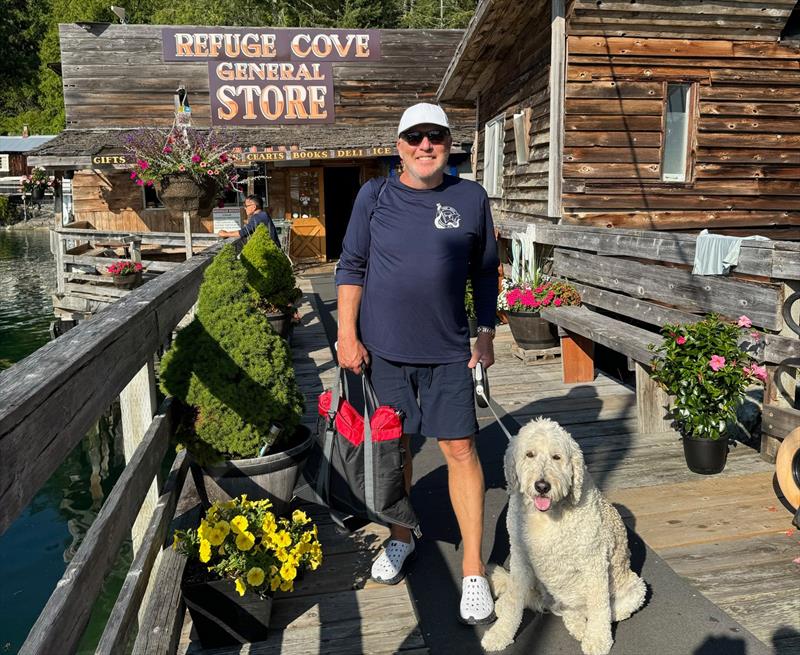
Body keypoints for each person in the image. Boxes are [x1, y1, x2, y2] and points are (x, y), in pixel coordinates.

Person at [335, 102, 499, 625]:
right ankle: (402, 536)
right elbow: (352, 265)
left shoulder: (470, 197)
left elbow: (487, 272)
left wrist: (488, 331)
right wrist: (345, 333)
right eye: (414, 137)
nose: (424, 145)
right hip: (384, 349)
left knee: (459, 446)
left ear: (449, 144)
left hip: (450, 349)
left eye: (435, 136)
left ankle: (473, 568)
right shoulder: (374, 195)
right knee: (394, 447)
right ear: (398, 145)